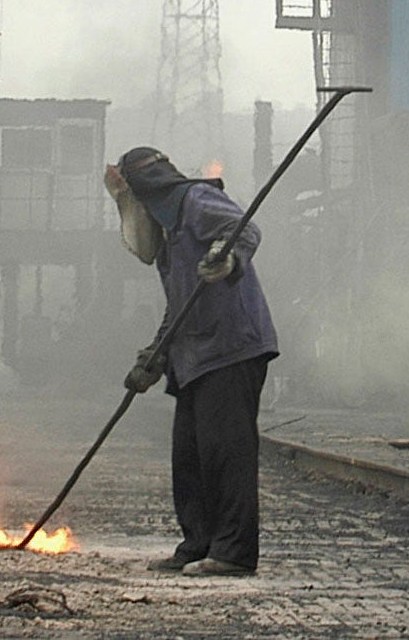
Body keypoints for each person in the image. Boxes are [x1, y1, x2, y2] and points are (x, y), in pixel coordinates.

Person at [105, 146, 279, 577]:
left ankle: (234, 554)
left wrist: (227, 254)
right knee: (190, 457)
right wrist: (155, 355)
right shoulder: (168, 234)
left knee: (226, 454)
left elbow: (245, 230)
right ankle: (198, 544)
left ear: (143, 190)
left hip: (231, 348)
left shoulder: (196, 202)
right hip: (195, 356)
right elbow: (181, 303)